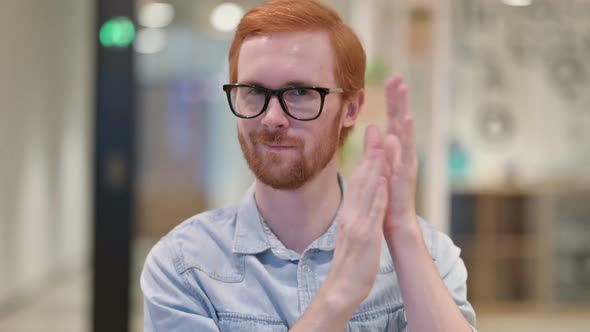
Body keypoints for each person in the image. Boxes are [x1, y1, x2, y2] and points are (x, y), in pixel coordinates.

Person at [141, 0, 477, 331]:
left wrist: (402, 228)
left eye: (300, 92)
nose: (271, 118)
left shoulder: (427, 254)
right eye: (253, 91)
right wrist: (338, 296)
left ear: (351, 108)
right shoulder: (185, 265)